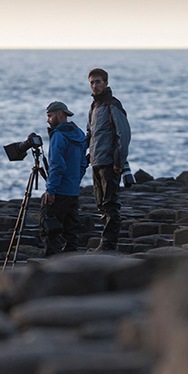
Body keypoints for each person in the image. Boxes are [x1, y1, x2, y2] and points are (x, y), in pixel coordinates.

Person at [86, 68, 131, 251]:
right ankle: (105, 243)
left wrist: (119, 162)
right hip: (96, 162)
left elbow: (124, 134)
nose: (95, 85)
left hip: (110, 164)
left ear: (106, 83)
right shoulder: (94, 107)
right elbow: (90, 134)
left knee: (111, 204)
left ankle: (109, 244)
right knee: (101, 204)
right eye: (92, 82)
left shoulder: (113, 104)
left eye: (98, 82)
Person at [38, 101, 88, 256]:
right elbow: (83, 163)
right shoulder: (79, 134)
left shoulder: (59, 136)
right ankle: (70, 262)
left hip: (59, 190)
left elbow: (57, 165)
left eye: (49, 116)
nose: (48, 120)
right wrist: (75, 181)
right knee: (71, 230)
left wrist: (51, 190)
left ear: (59, 114)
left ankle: (52, 262)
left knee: (49, 227)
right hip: (72, 190)